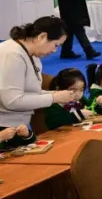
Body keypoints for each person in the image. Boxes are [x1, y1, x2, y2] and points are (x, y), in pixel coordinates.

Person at [1, 18, 72, 147]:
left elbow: (29, 91)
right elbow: (12, 101)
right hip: (4, 129)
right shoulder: (12, 54)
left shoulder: (32, 54)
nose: (54, 51)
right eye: (55, 45)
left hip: (17, 126)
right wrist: (53, 98)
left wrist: (54, 94)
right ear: (42, 37)